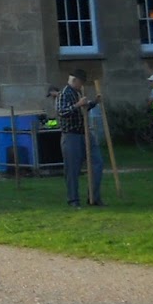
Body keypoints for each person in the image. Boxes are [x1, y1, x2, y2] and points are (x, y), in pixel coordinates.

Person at [56, 69, 103, 208]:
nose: (82, 85)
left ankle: (93, 197)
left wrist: (94, 102)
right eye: (81, 82)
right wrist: (78, 105)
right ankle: (73, 200)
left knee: (97, 163)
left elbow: (83, 109)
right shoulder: (63, 94)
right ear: (75, 80)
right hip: (71, 136)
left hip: (85, 133)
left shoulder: (78, 92)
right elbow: (62, 112)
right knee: (72, 169)